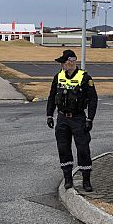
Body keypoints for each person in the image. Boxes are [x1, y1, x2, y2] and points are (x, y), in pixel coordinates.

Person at [46, 49, 98, 192]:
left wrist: (90, 119)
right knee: (63, 149)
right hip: (62, 118)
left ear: (72, 61)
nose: (62, 64)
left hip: (78, 118)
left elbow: (93, 99)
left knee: (83, 149)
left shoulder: (85, 78)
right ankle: (68, 179)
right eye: (62, 62)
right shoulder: (58, 77)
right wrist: (49, 115)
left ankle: (86, 180)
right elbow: (51, 96)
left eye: (64, 61)